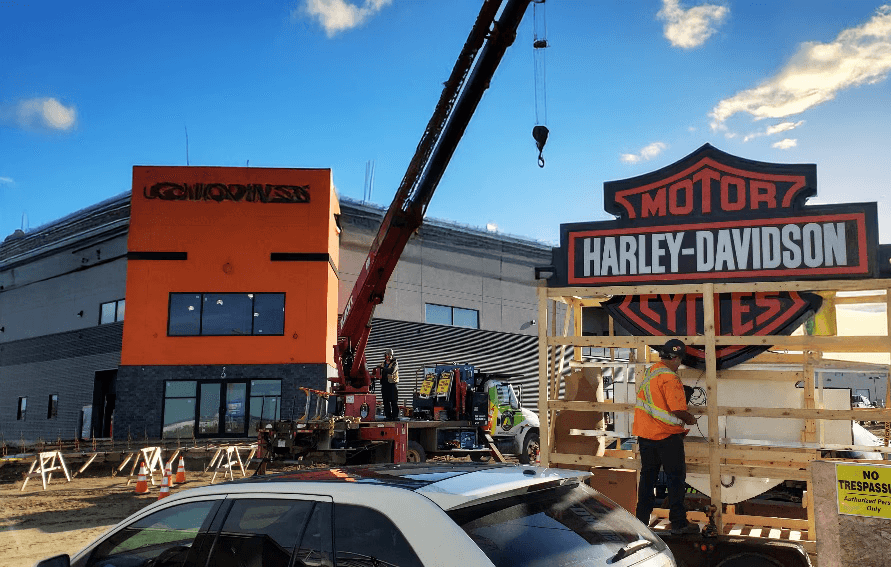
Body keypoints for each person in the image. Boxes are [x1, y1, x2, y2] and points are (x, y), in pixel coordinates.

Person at [633, 338, 699, 535]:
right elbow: (677, 409)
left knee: (647, 480)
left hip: (646, 436)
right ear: (676, 358)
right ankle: (678, 523)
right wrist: (690, 419)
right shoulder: (670, 378)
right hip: (667, 437)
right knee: (675, 480)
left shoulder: (651, 372)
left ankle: (641, 523)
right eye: (680, 360)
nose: (679, 364)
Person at [379, 349, 400, 421]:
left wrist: (383, 368)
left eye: (390, 355)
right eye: (387, 355)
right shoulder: (383, 363)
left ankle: (395, 416)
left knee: (394, 401)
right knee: (386, 401)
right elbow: (378, 370)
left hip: (392, 384)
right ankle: (388, 416)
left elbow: (391, 371)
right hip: (385, 384)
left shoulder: (394, 363)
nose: (388, 356)